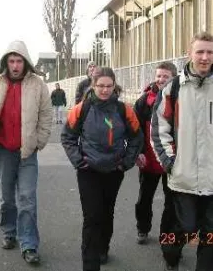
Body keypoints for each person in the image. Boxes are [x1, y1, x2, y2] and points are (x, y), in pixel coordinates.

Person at [0, 40, 52, 264]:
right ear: (6, 62)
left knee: (27, 199)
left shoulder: (37, 85)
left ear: (26, 62)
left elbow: (46, 114)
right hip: (3, 151)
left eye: (19, 61)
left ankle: (29, 244)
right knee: (7, 200)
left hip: (27, 152)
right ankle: (8, 232)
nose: (15, 65)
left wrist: (39, 141)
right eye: (11, 61)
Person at [61, 67, 143, 271]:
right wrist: (79, 161)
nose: (105, 90)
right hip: (88, 170)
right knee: (92, 216)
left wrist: (126, 163)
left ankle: (103, 247)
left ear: (114, 86)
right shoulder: (82, 109)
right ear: (93, 85)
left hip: (114, 170)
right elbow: (67, 137)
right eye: (101, 86)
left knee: (107, 212)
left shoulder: (125, 110)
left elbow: (137, 137)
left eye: (109, 86)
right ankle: (90, 264)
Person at [151, 32, 213, 271]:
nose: (205, 57)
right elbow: (159, 128)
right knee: (184, 228)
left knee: (210, 234)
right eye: (200, 51)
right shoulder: (173, 88)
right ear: (190, 54)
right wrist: (169, 162)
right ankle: (170, 251)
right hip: (183, 177)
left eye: (209, 52)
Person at [134, 62, 177, 245]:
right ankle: (143, 228)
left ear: (174, 78)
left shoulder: (180, 98)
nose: (160, 79)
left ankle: (167, 237)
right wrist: (139, 153)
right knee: (144, 199)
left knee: (173, 203)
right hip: (149, 162)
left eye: (165, 76)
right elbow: (135, 131)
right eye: (158, 75)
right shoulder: (144, 101)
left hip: (173, 163)